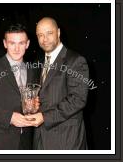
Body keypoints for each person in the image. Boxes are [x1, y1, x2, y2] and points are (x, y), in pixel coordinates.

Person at [26, 17, 89, 149]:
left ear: (58, 32)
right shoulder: (38, 64)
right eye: (40, 35)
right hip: (40, 140)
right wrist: (33, 103)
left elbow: (78, 99)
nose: (44, 39)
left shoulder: (76, 60)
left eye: (49, 33)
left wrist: (44, 117)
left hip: (66, 140)